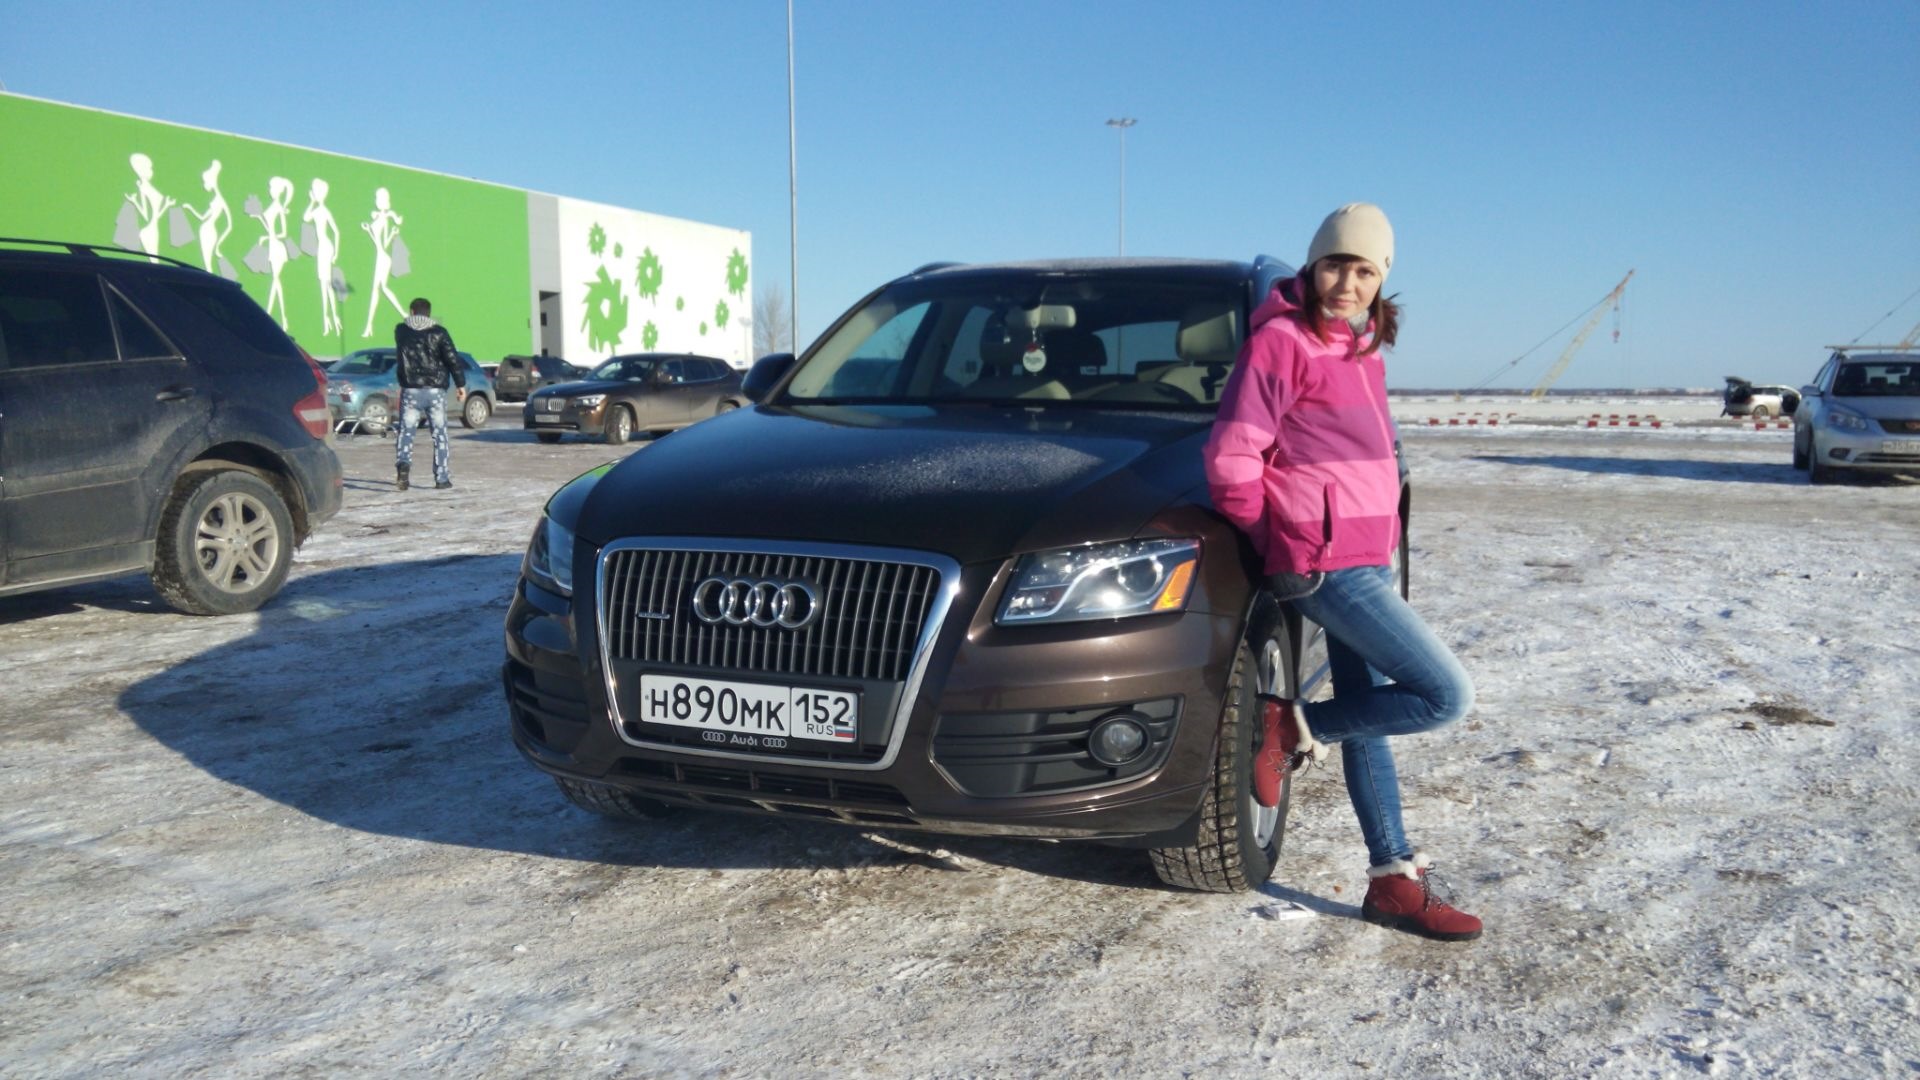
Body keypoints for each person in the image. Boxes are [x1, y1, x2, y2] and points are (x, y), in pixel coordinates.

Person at [1203, 203, 1481, 942]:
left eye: (1363, 270)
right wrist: (1277, 538)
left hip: (1365, 556)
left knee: (1369, 718)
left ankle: (1392, 880)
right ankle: (1290, 725)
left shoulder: (1362, 348)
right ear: (1313, 265)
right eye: (1335, 265)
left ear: (1381, 280)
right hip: (1323, 562)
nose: (1346, 283)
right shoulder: (1281, 342)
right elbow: (1231, 459)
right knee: (1444, 694)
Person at [392, 298, 466, 491]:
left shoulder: (401, 331)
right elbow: (452, 359)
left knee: (406, 431)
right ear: (429, 312)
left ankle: (403, 464)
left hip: (410, 389)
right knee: (439, 434)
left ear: (411, 311)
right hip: (435, 390)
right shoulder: (439, 333)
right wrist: (460, 384)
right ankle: (442, 478)